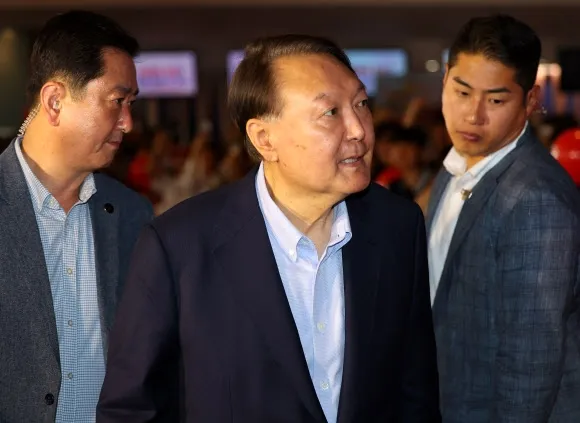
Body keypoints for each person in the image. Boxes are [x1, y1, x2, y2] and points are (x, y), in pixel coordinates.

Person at [97, 34, 440, 423]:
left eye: (361, 104)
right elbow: (131, 409)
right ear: (265, 139)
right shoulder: (180, 245)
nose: (359, 129)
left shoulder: (397, 227)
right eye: (330, 112)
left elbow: (415, 392)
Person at [0, 10, 153, 423]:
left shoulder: (132, 215)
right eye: (117, 101)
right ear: (55, 101)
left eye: (131, 104)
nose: (128, 123)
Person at [427, 14, 580, 423]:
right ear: (444, 82)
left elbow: (530, 363)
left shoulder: (535, 199)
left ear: (530, 101)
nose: (472, 115)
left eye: (495, 101)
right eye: (462, 92)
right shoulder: (453, 167)